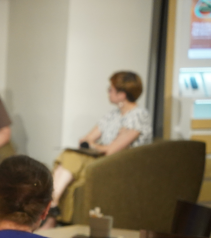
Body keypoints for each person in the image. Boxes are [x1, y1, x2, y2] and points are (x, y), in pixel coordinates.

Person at [44, 71, 152, 227]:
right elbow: (84, 140)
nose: (108, 93)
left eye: (111, 89)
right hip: (101, 160)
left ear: (122, 94)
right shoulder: (112, 115)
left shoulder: (138, 115)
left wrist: (94, 145)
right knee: (68, 158)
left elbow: (112, 150)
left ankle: (51, 209)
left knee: (71, 160)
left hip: (121, 165)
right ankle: (52, 207)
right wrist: (95, 145)